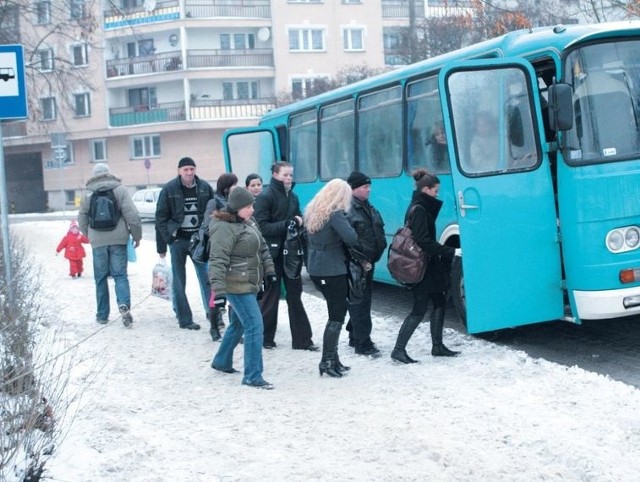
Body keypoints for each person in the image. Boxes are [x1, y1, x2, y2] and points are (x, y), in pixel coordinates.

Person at [390, 169, 461, 364]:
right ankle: (398, 350)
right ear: (427, 189)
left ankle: (437, 346)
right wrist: (450, 251)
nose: (437, 194)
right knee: (419, 309)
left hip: (428, 265)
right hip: (421, 267)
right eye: (436, 191)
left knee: (439, 301)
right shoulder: (420, 209)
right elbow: (423, 240)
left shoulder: (421, 205)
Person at [209, 187, 277, 390]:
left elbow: (262, 246)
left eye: (252, 205)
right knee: (255, 326)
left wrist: (270, 270)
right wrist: (219, 292)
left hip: (249, 281)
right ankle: (253, 376)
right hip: (235, 284)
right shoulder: (223, 227)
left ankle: (221, 361)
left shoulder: (248, 222)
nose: (252, 210)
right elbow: (217, 261)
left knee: (239, 324)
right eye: (248, 207)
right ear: (237, 208)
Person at [305, 179, 367, 378]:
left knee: (335, 312)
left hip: (316, 266)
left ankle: (334, 358)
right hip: (332, 268)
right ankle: (327, 360)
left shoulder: (314, 209)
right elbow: (351, 238)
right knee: (336, 315)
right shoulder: (335, 213)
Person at [254, 161, 317, 351]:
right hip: (271, 254)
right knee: (270, 296)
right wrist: (289, 223)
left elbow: (297, 218)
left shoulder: (293, 196)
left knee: (295, 296)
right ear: (275, 174)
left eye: (291, 175)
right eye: (285, 175)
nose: (289, 178)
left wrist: (298, 221)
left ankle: (302, 340)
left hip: (290, 253)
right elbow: (262, 226)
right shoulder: (266, 196)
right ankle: (265, 338)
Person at [78, 163, 142, 326]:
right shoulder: (120, 189)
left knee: (100, 278)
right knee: (120, 275)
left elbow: (82, 218)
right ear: (108, 173)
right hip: (118, 239)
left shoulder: (87, 193)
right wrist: (136, 236)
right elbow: (132, 215)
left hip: (98, 241)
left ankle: (102, 314)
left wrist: (90, 236)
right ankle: (123, 305)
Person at [155, 157, 215, 331]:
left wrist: (210, 235)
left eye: (191, 169)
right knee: (179, 282)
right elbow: (161, 217)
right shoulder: (169, 189)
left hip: (199, 241)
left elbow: (214, 211)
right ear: (179, 171)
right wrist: (167, 241)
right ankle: (185, 318)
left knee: (207, 278)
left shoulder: (204, 187)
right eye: (185, 169)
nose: (189, 172)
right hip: (179, 240)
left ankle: (213, 314)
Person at [344, 171, 387, 357]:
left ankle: (355, 335)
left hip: (369, 262)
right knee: (360, 302)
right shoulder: (348, 209)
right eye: (364, 187)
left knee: (362, 300)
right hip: (357, 264)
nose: (369, 189)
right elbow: (348, 240)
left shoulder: (367, 206)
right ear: (354, 189)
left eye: (369, 186)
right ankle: (363, 343)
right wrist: (361, 260)